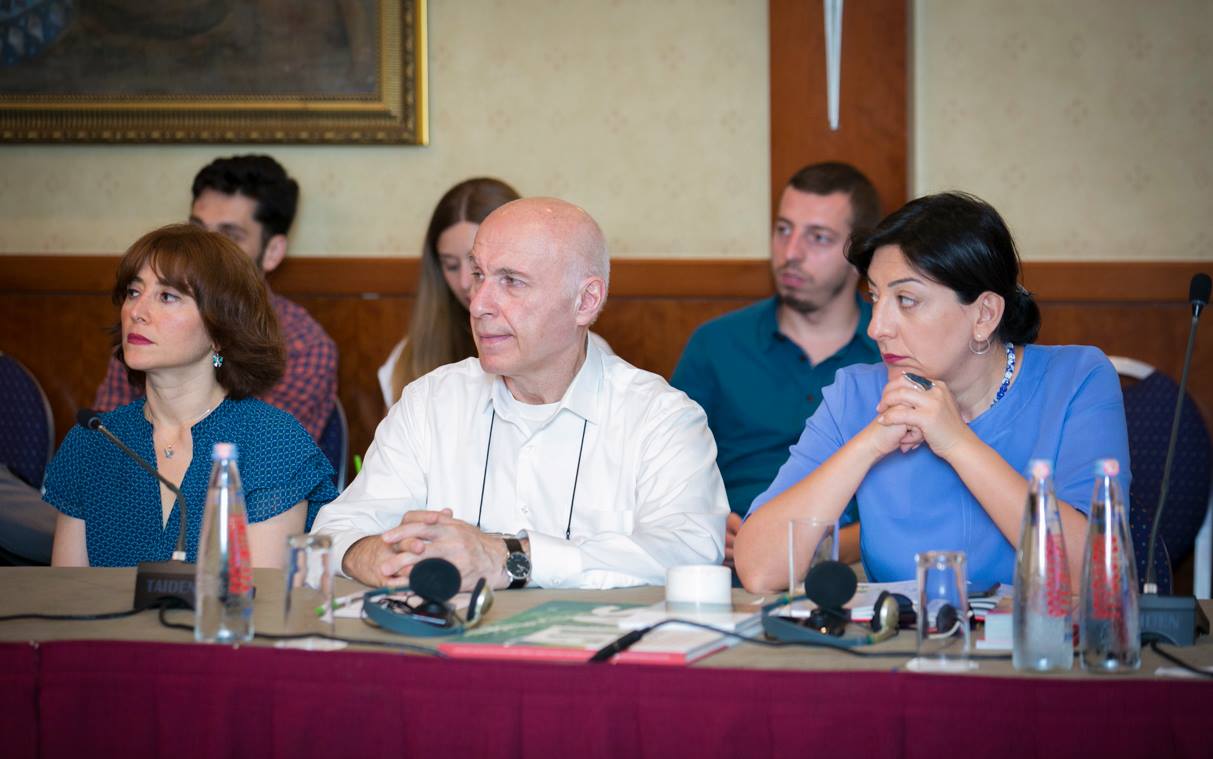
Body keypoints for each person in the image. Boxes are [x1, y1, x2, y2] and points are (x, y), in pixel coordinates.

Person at [312, 198, 728, 590]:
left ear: (586, 301)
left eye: (511, 281)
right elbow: (333, 534)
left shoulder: (661, 416)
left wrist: (509, 558)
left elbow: (690, 551)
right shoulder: (431, 402)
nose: (478, 304)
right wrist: (375, 556)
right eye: (479, 276)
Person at [734, 192, 1131, 592]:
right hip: (900, 632)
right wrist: (871, 443)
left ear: (984, 314)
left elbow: (1097, 576)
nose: (876, 327)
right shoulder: (856, 394)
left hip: (1035, 633)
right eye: (875, 297)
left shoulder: (1076, 379)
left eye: (906, 300)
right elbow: (759, 570)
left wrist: (957, 442)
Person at [44, 225, 338, 568]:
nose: (137, 311)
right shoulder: (93, 441)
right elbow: (68, 593)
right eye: (133, 292)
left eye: (167, 297)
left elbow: (259, 593)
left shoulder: (273, 442)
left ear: (220, 330)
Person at [671, 162, 882, 568]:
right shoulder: (717, 343)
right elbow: (664, 464)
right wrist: (704, 521)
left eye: (818, 237)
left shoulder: (894, 349)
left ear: (860, 253)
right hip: (729, 563)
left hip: (856, 569)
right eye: (784, 230)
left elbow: (925, 499)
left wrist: (827, 545)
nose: (791, 253)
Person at [93, 155, 338, 442]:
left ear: (272, 252)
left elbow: (261, 449)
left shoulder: (303, 346)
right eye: (197, 232)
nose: (203, 253)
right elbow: (105, 441)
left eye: (228, 238)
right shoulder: (146, 324)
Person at [379, 177, 612, 408]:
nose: (466, 283)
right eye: (452, 265)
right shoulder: (411, 360)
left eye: (510, 279)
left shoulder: (593, 362)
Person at [378, 177, 520, 407]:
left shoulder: (566, 348)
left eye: (476, 265)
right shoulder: (411, 355)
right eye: (451, 265)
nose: (464, 282)